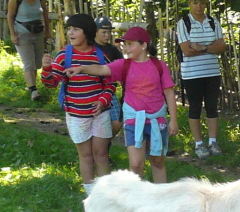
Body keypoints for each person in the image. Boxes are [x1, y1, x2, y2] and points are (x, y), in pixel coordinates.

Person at [70, 27, 177, 183]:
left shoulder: (159, 65)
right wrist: (82, 68)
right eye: (124, 45)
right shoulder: (123, 65)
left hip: (157, 119)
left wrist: (173, 120)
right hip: (133, 120)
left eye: (130, 44)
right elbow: (102, 69)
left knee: (158, 161)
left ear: (144, 45)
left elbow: (169, 93)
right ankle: (135, 196)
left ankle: (161, 195)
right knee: (135, 165)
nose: (126, 48)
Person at [40, 14, 115, 195]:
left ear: (87, 32)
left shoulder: (100, 56)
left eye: (76, 29)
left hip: (100, 114)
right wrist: (46, 68)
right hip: (76, 115)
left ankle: (105, 195)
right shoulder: (63, 55)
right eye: (69, 29)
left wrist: (102, 101)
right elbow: (51, 83)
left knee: (101, 154)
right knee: (86, 155)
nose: (70, 33)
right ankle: (91, 196)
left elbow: (111, 83)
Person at [177, 0, 226, 159]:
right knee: (195, 107)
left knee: (212, 106)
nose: (199, 6)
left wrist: (202, 47)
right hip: (192, 73)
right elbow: (187, 50)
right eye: (195, 3)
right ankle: (199, 143)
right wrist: (211, 47)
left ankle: (213, 141)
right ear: (189, 4)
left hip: (212, 71)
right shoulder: (184, 23)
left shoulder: (213, 21)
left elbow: (222, 47)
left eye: (202, 3)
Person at [7, 0, 51, 101]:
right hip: (22, 33)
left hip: (38, 32)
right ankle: (33, 90)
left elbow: (45, 14)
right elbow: (10, 15)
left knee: (37, 62)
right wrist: (13, 34)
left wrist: (48, 31)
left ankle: (33, 86)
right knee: (28, 63)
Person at [94, 16, 124, 137]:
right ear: (96, 31)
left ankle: (105, 144)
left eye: (109, 32)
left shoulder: (113, 50)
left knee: (117, 122)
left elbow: (122, 67)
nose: (107, 35)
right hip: (92, 90)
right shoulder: (89, 48)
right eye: (104, 32)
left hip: (109, 90)